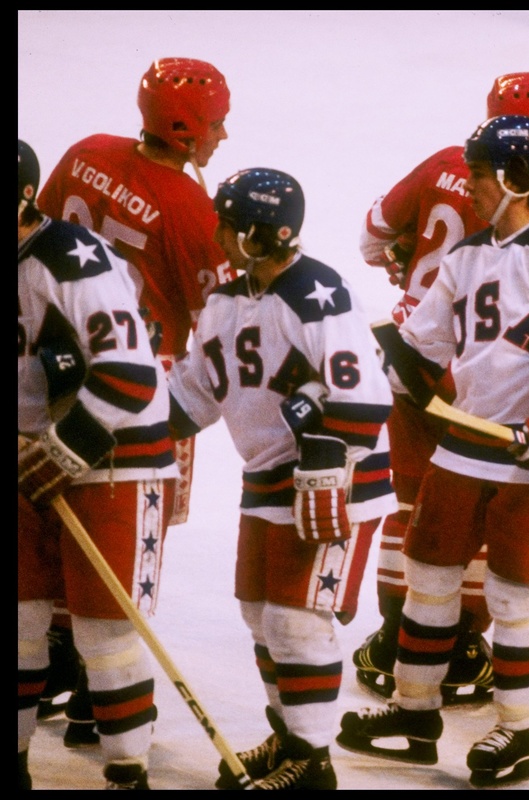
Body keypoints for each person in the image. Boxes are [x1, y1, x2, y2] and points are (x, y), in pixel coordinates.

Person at [337, 115, 529, 787]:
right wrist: (347, 361)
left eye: (478, 176)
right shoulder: (468, 257)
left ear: (513, 180)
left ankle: (516, 731)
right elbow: (417, 352)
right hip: (467, 442)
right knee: (430, 581)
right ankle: (414, 713)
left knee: (513, 593)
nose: (469, 187)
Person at [350, 72, 529, 705]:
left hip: (413, 352)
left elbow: (373, 238)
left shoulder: (439, 166)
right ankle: (467, 643)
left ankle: (399, 630)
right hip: (481, 366)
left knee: (414, 503)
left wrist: (403, 257)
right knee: (476, 508)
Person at [167, 168, 396, 789]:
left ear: (260, 235)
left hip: (339, 476)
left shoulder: (318, 292)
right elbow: (193, 397)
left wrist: (327, 475)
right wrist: (118, 425)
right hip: (266, 474)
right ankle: (293, 731)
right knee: (258, 614)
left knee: (298, 620)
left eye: (227, 223)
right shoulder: (223, 301)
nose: (216, 231)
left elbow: (366, 399)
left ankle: (313, 760)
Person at [34, 58, 233, 739]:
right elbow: (224, 315)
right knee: (130, 533)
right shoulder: (188, 208)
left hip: (52, 371)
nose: (224, 135)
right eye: (216, 123)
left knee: (59, 511)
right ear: (184, 131)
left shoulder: (85, 153)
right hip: (145, 383)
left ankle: (62, 650)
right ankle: (102, 678)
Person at [19, 138, 178, 790]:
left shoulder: (71, 262)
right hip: (34, 454)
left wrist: (64, 446)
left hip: (115, 456)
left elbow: (131, 374)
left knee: (102, 635)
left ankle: (128, 775)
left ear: (25, 196)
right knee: (20, 622)